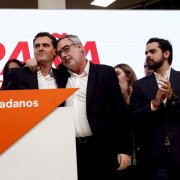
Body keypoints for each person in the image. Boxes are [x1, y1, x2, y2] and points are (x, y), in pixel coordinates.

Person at [27, 34, 132, 180]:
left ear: (80, 47)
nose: (63, 55)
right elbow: (41, 72)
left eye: (66, 49)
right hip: (71, 150)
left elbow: (120, 113)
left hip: (102, 148)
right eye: (59, 53)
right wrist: (32, 62)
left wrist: (124, 149)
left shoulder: (105, 73)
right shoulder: (60, 75)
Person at [129, 37, 180, 180]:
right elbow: (133, 118)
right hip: (155, 157)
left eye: (152, 51)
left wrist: (171, 97)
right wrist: (154, 104)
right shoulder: (140, 85)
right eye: (146, 53)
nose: (148, 56)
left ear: (166, 54)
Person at [2, 32, 66, 91]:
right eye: (37, 46)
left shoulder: (63, 76)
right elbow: (1, 99)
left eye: (45, 45)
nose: (40, 49)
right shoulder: (17, 74)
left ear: (55, 51)